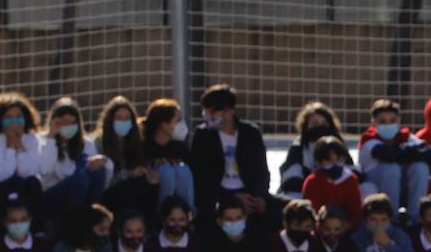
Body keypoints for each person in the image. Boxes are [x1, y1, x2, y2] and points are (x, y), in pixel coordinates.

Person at [190, 85, 274, 227]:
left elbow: (261, 171)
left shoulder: (250, 133)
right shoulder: (202, 136)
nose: (207, 115)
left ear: (229, 112)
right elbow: (201, 178)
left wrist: (260, 197)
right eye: (206, 110)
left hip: (248, 192)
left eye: (213, 111)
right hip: (218, 195)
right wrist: (230, 198)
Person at [358, 99, 431, 221]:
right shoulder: (368, 140)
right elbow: (388, 155)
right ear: (373, 122)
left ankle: (415, 218)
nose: (388, 124)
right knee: (391, 169)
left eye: (392, 121)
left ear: (399, 120)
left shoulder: (405, 136)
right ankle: (391, 219)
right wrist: (410, 151)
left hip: (401, 190)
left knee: (420, 167)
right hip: (377, 193)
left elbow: (430, 153)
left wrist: (403, 152)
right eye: (382, 121)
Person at [38, 98, 109, 223]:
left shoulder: (86, 144)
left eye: (72, 123)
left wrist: (102, 161)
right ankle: (72, 224)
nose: (68, 127)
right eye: (64, 123)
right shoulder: (42, 140)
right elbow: (45, 171)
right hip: (51, 194)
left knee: (97, 172)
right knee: (80, 180)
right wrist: (51, 137)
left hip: (81, 193)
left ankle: (91, 218)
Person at [0, 93, 44, 224]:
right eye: (9, 117)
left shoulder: (32, 139)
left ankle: (37, 228)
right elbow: (1, 174)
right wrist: (10, 145)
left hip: (26, 187)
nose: (14, 121)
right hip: (0, 191)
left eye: (18, 117)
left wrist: (20, 147)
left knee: (33, 183)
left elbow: (29, 172)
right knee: (14, 182)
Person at [95, 96, 157, 218]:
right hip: (109, 193)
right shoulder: (99, 143)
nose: (123, 122)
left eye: (127, 118)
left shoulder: (135, 142)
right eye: (118, 118)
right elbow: (104, 182)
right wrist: (127, 174)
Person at [279, 101, 354, 198]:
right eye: (315, 123)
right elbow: (291, 179)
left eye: (324, 123)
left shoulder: (338, 144)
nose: (320, 127)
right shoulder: (298, 147)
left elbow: (351, 170)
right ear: (306, 125)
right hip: (306, 192)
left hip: (337, 191)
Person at [142, 98, 196, 212]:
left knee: (183, 170)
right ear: (163, 124)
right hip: (151, 197)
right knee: (166, 171)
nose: (181, 125)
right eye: (178, 120)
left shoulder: (180, 148)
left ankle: (187, 214)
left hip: (179, 200)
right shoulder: (144, 147)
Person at [302, 136, 363, 228]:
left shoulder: (351, 180)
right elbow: (312, 213)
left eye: (338, 159)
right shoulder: (313, 182)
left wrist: (346, 226)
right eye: (328, 161)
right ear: (320, 162)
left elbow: (355, 213)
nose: (334, 165)